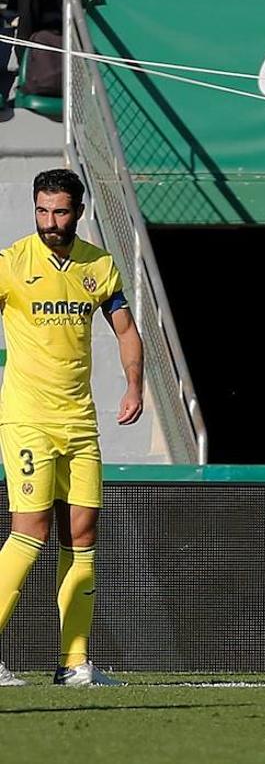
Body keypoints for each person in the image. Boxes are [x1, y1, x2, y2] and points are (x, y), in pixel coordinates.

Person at [0, 169, 144, 687]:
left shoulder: (98, 266)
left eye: (59, 211)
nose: (49, 222)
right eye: (42, 211)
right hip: (29, 419)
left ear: (78, 211)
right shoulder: (11, 263)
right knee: (30, 531)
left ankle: (75, 662)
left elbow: (126, 331)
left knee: (81, 534)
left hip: (79, 421)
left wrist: (134, 386)